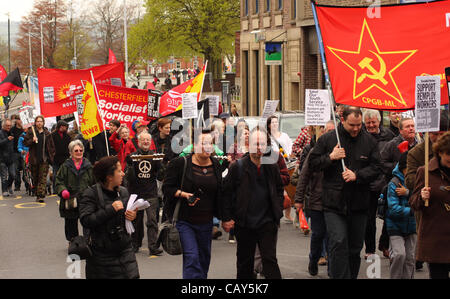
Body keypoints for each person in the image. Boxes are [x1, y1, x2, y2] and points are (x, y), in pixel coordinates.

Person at [308, 106, 381, 279]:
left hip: (359, 203)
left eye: (358, 125)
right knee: (338, 242)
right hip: (334, 204)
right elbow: (312, 164)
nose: (356, 129)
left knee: (355, 248)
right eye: (351, 125)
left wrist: (358, 175)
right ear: (342, 120)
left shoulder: (369, 141)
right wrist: (330, 158)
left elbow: (377, 168)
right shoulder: (328, 139)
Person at [222, 127, 284, 279]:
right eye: (256, 144)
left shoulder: (271, 166)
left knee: (270, 260)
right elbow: (226, 193)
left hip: (267, 222)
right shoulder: (238, 167)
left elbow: (278, 189)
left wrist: (277, 211)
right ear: (248, 145)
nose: (259, 148)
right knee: (245, 263)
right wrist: (227, 218)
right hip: (244, 223)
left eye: (262, 144)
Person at [162, 130, 224, 279]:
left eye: (211, 143)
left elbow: (220, 191)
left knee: (203, 259)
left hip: (206, 221)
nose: (208, 147)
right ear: (195, 146)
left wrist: (225, 216)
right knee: (192, 256)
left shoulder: (216, 164)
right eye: (204, 143)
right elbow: (167, 188)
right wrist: (183, 194)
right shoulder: (180, 163)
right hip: (185, 221)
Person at [79, 156, 139, 279]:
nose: (122, 174)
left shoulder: (123, 192)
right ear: (109, 176)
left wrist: (133, 216)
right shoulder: (91, 193)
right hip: (101, 256)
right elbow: (86, 220)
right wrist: (110, 209)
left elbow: (128, 218)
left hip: (125, 251)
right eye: (119, 171)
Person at [294, 121, 335, 276]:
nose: (330, 134)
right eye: (327, 130)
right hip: (317, 202)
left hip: (334, 202)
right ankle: (313, 258)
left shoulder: (342, 153)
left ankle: (332, 266)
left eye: (333, 131)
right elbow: (304, 176)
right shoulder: (314, 152)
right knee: (318, 234)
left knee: (333, 236)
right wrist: (298, 200)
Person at [409, 132, 450, 279]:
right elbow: (413, 202)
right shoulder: (425, 172)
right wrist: (421, 196)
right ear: (439, 153)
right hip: (436, 238)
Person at [362, 109, 395, 259]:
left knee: (389, 215)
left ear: (379, 121)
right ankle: (370, 249)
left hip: (385, 182)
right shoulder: (361, 136)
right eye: (368, 123)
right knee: (369, 219)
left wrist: (383, 179)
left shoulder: (388, 135)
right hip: (367, 184)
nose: (371, 125)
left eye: (373, 122)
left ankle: (384, 243)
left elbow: (392, 159)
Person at [125, 132, 163, 256]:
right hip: (136, 193)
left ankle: (153, 246)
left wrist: (162, 166)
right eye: (143, 140)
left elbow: (161, 175)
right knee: (136, 220)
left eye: (148, 140)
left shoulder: (154, 156)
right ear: (139, 142)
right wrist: (130, 165)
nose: (146, 142)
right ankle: (135, 244)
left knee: (152, 221)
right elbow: (129, 178)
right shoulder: (133, 156)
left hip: (151, 193)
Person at [55, 140, 95, 242]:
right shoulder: (65, 166)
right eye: (76, 150)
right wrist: (63, 190)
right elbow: (58, 181)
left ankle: (87, 241)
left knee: (88, 221)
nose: (78, 152)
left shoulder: (88, 166)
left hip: (86, 198)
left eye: (81, 150)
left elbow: (94, 182)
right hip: (70, 198)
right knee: (70, 222)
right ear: (71, 152)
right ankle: (73, 242)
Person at [385, 152, 416, 279]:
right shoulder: (394, 182)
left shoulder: (416, 179)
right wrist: (412, 211)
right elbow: (393, 209)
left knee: (410, 258)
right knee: (399, 255)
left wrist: (408, 193)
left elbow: (419, 197)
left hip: (412, 225)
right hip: (395, 225)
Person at [23, 116, 56, 203]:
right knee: (35, 177)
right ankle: (37, 192)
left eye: (41, 121)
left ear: (43, 122)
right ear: (35, 122)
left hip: (44, 159)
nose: (39, 123)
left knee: (43, 178)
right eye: (37, 121)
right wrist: (32, 141)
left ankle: (40, 195)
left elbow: (51, 146)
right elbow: (25, 143)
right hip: (34, 159)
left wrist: (50, 157)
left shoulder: (47, 133)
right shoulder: (31, 132)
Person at [50, 120, 72, 193]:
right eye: (64, 126)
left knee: (65, 174)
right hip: (56, 158)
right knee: (55, 174)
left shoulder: (67, 136)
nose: (65, 128)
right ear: (60, 126)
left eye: (66, 127)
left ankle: (64, 188)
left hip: (65, 158)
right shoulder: (53, 135)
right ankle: (55, 189)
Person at [0, 119, 16, 197]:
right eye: (7, 126)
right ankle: (4, 191)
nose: (9, 127)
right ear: (3, 126)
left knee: (13, 175)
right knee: (4, 176)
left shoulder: (11, 133)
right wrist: (7, 139)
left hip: (11, 158)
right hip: (2, 158)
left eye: (10, 125)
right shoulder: (0, 133)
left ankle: (9, 186)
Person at [10, 115, 24, 192]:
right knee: (16, 169)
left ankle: (28, 184)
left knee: (25, 168)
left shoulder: (24, 129)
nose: (21, 121)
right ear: (17, 121)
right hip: (15, 151)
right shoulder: (13, 130)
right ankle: (17, 185)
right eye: (19, 120)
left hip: (23, 151)